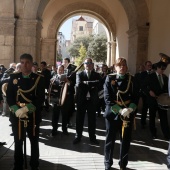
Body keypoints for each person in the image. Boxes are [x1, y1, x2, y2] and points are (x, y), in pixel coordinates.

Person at [6, 53, 45, 170]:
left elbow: (40, 98)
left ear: (32, 64)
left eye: (27, 62)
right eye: (22, 62)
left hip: (32, 115)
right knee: (18, 142)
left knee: (34, 141)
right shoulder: (13, 77)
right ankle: (18, 165)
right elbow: (9, 96)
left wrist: (27, 109)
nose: (24, 65)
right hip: (17, 115)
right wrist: (16, 110)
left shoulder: (38, 79)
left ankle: (34, 165)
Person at [103, 57, 138, 170]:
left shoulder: (132, 79)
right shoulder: (109, 78)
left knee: (125, 140)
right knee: (110, 140)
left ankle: (123, 164)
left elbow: (136, 97)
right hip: (113, 113)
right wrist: (119, 109)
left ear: (126, 67)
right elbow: (107, 98)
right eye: (119, 65)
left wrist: (130, 109)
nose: (122, 67)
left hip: (127, 114)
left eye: (124, 65)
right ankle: (108, 163)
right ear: (115, 67)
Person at [73, 57, 101, 145]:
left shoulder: (97, 75)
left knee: (92, 120)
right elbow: (79, 85)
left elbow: (99, 84)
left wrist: (86, 83)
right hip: (82, 100)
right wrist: (92, 84)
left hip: (92, 101)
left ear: (92, 65)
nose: (88, 65)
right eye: (86, 63)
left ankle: (92, 138)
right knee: (79, 119)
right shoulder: (79, 74)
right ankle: (78, 136)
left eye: (89, 63)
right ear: (84, 65)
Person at [142, 61, 170, 140]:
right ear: (157, 68)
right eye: (161, 69)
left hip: (162, 101)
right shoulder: (150, 76)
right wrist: (149, 91)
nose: (162, 71)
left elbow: (167, 89)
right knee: (152, 117)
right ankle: (153, 133)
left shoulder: (165, 77)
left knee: (164, 118)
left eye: (164, 69)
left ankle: (166, 134)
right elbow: (143, 86)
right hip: (152, 101)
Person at [140, 61, 152, 129]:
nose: (150, 66)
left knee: (151, 110)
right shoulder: (143, 74)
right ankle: (143, 122)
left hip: (152, 94)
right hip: (145, 94)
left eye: (151, 65)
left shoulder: (153, 73)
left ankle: (151, 123)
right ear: (145, 66)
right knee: (145, 109)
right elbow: (142, 85)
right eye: (148, 65)